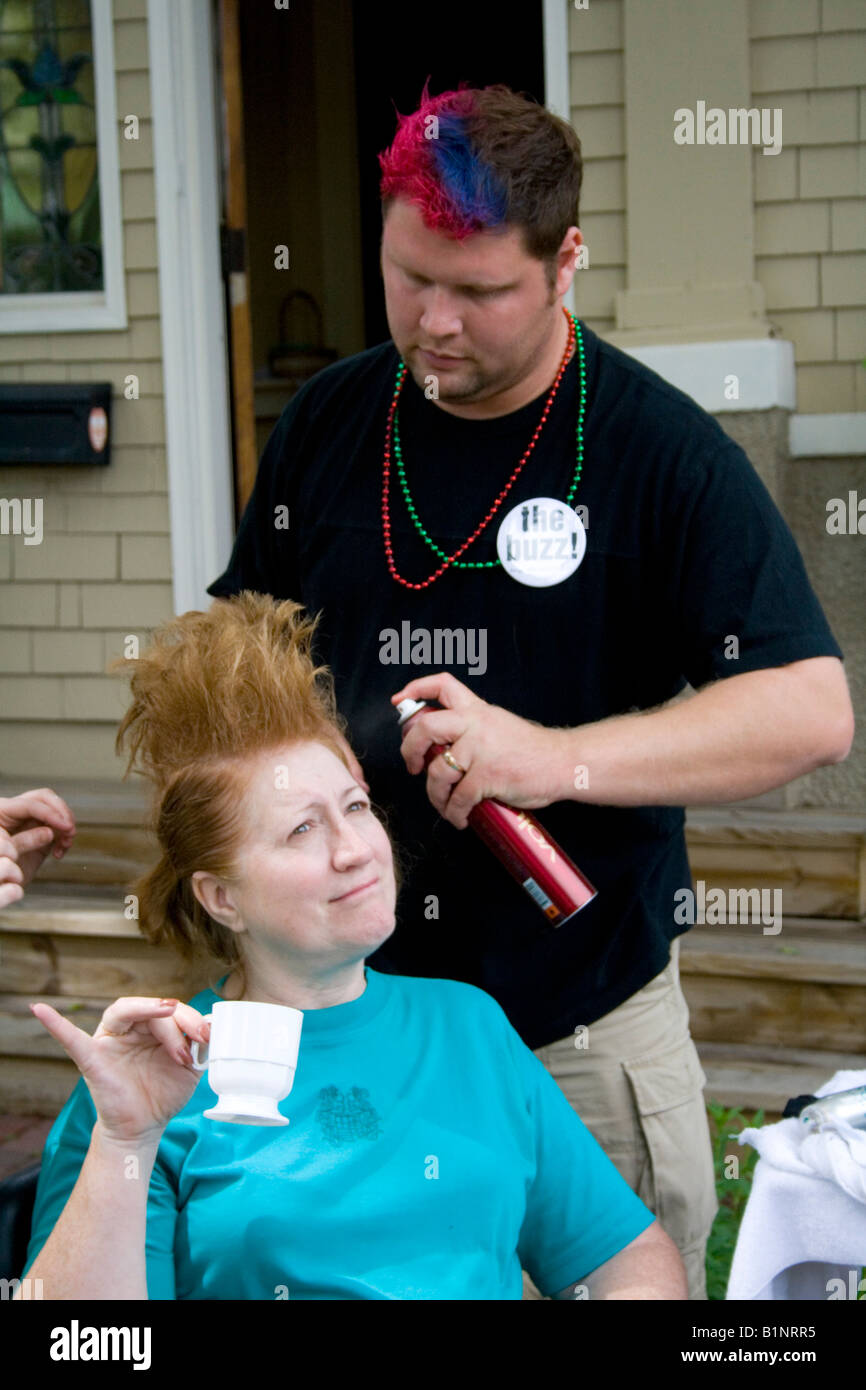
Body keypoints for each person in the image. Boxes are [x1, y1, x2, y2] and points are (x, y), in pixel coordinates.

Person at [204, 83, 854, 1300]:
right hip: (358, 1030)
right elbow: (247, 647)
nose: (434, 323)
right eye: (409, 278)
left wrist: (549, 761)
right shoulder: (332, 421)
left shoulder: (657, 452)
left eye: (480, 291)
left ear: (565, 263)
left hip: (574, 1038)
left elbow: (808, 708)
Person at [16, 593, 685, 1300]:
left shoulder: (470, 1026)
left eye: (356, 808)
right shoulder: (147, 1080)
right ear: (222, 898)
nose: (354, 851)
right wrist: (125, 1138)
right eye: (302, 829)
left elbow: (627, 1258)